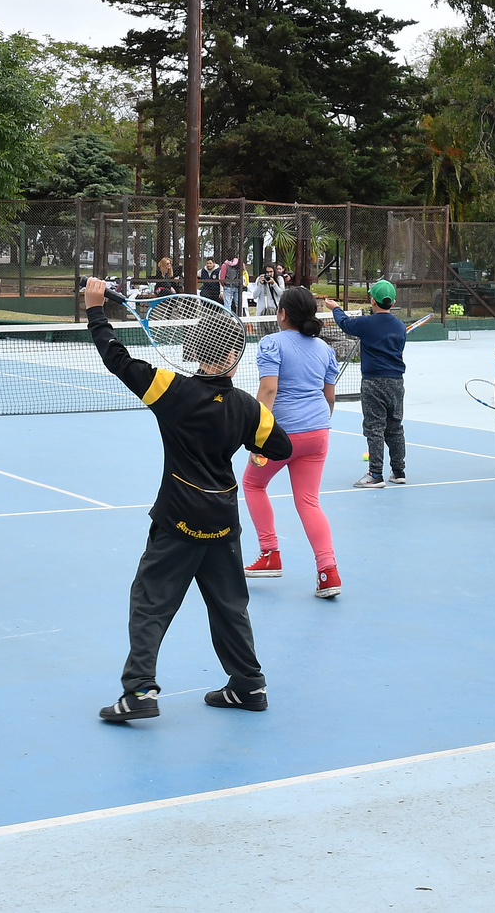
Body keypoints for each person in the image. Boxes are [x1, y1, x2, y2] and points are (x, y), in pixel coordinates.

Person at [82, 275, 291, 723]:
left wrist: (96, 310)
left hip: (178, 519)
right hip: (223, 522)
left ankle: (139, 692)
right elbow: (282, 448)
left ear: (193, 354)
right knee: (230, 606)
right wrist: (246, 435)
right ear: (235, 358)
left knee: (150, 601)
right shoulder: (247, 408)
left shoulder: (169, 390)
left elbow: (116, 359)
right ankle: (248, 685)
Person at [242, 286, 343, 597]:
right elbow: (329, 397)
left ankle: (270, 553)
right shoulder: (325, 349)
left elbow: (268, 391)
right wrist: (318, 426)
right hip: (318, 432)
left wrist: (258, 437)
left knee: (253, 484)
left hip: (281, 436)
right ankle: (329, 573)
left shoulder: (271, 343)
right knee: (309, 502)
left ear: (282, 314)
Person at [325, 280, 409, 487]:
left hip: (373, 382)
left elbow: (344, 323)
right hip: (397, 382)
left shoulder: (366, 323)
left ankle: (375, 474)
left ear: (373, 300)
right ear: (393, 301)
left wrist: (335, 308)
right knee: (395, 426)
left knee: (374, 428)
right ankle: (399, 471)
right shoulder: (400, 326)